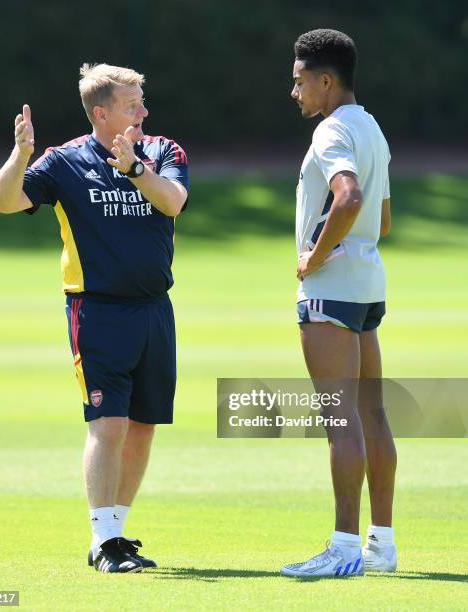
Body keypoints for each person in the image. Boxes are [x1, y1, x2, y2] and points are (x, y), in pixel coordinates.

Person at [0, 63, 189, 573]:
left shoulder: (163, 152)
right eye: (132, 105)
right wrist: (21, 155)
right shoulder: (65, 162)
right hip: (97, 310)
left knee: (143, 426)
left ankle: (116, 535)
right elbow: (5, 201)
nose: (143, 111)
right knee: (109, 423)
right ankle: (102, 541)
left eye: (142, 102)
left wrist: (135, 169)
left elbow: (174, 202)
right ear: (101, 114)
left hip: (154, 310)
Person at [280, 29, 397, 578]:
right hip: (369, 288)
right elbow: (383, 218)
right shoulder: (371, 127)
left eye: (301, 81)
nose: (295, 91)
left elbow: (346, 198)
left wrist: (314, 257)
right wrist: (349, 246)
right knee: (373, 414)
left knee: (338, 418)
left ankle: (344, 548)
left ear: (327, 81)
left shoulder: (331, 131)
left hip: (330, 292)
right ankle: (382, 545)